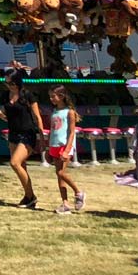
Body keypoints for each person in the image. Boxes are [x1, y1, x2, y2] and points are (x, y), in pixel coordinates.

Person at [0, 68, 45, 208]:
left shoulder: (27, 95)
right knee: (21, 166)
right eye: (7, 83)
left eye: (10, 83)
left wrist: (42, 137)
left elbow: (37, 116)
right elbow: (9, 117)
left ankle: (30, 196)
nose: (9, 86)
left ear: (17, 82)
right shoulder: (5, 96)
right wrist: (0, 115)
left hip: (27, 133)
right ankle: (29, 195)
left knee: (14, 162)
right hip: (13, 132)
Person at [47, 86, 85, 214]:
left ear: (61, 96)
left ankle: (78, 192)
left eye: (53, 96)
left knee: (62, 173)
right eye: (50, 96)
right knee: (59, 175)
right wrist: (49, 147)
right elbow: (53, 130)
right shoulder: (55, 111)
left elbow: (71, 132)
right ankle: (65, 203)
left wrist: (67, 149)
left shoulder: (69, 112)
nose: (51, 99)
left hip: (65, 145)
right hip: (54, 144)